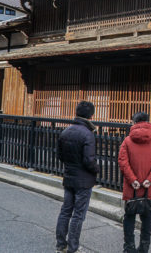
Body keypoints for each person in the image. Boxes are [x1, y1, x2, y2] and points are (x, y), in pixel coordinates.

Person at [56, 101, 99, 253]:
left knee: (66, 210)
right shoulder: (88, 134)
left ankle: (61, 244)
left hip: (69, 176)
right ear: (91, 116)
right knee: (78, 215)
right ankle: (73, 247)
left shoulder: (66, 131)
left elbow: (60, 155)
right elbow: (89, 160)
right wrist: (96, 169)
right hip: (84, 179)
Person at [118, 112, 151, 253]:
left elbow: (123, 162)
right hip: (148, 188)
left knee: (129, 217)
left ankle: (129, 248)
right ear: (148, 122)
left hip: (132, 187)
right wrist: (149, 180)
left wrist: (133, 180)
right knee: (147, 218)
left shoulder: (127, 141)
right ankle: (144, 248)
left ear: (134, 122)